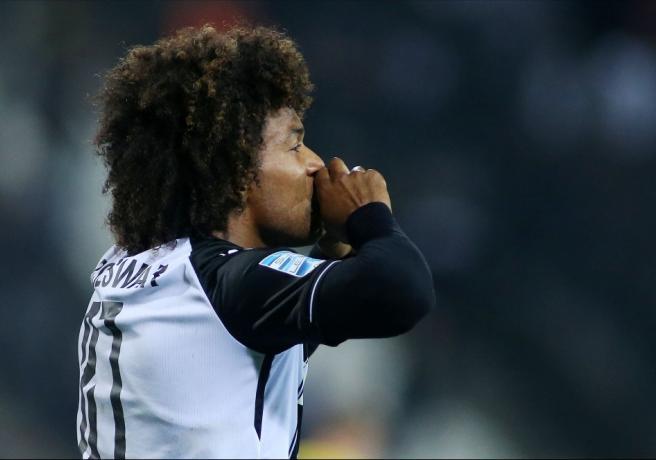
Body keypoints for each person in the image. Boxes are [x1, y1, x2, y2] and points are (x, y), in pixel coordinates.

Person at [77, 24, 435, 459]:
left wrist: (332, 247)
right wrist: (370, 217)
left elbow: (246, 351)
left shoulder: (133, 270)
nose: (315, 164)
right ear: (236, 165)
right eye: (294, 145)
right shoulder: (228, 284)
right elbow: (403, 291)